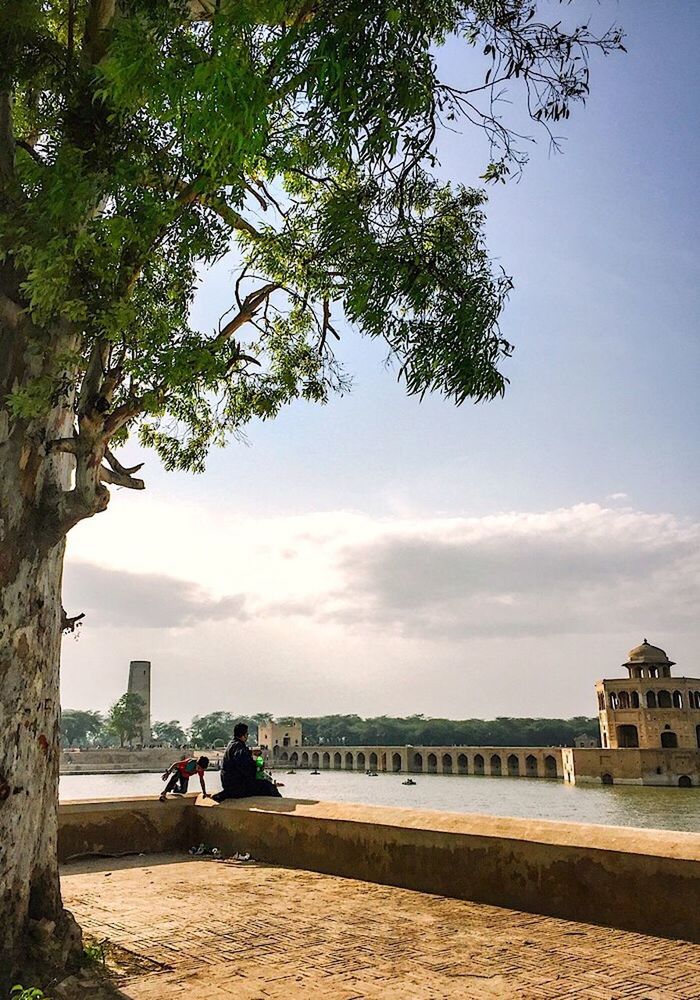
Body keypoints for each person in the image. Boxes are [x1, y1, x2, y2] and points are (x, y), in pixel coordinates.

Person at [212, 723, 281, 802]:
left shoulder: (232, 744)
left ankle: (226, 794)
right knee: (268, 786)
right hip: (238, 786)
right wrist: (257, 767)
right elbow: (243, 764)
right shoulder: (238, 747)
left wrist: (251, 753)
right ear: (243, 735)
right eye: (247, 734)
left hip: (229, 784)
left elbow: (240, 757)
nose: (247, 736)